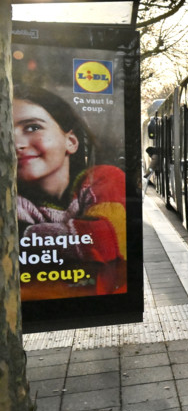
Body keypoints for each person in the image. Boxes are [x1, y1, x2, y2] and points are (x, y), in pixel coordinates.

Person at [13, 84, 127, 299]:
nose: (16, 143)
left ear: (71, 142)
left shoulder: (105, 178)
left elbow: (105, 240)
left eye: (32, 127)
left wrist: (22, 234)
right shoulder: (11, 200)